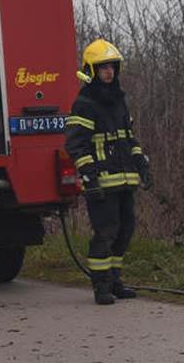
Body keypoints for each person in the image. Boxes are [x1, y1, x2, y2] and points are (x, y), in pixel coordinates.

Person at [65, 39, 152, 305]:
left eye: (112, 67)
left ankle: (115, 281)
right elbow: (76, 145)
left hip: (124, 180)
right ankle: (101, 286)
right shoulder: (85, 103)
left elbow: (128, 138)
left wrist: (141, 164)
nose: (109, 72)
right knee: (105, 233)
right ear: (91, 70)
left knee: (125, 230)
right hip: (101, 183)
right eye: (103, 67)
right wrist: (89, 177)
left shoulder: (119, 101)